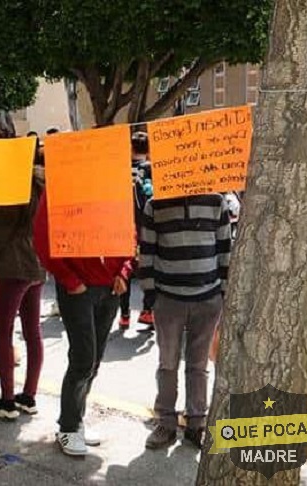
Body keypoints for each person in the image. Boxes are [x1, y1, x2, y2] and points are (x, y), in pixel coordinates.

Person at [34, 191, 133, 456]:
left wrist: (124, 270)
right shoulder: (61, 184)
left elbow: (127, 232)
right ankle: (68, 427)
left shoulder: (112, 184)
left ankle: (75, 422)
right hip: (77, 288)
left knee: (94, 360)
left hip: (109, 288)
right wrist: (70, 280)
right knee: (83, 359)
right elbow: (43, 240)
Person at [139, 194, 231, 449]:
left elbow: (225, 249)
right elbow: (147, 250)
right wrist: (150, 294)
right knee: (167, 363)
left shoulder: (216, 202)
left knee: (198, 365)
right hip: (168, 299)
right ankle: (166, 423)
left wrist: (222, 293)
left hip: (208, 298)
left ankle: (196, 424)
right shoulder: (154, 204)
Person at [0, 152, 46, 421]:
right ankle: (28, 395)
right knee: (33, 331)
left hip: (13, 264)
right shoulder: (44, 184)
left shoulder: (15, 187)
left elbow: (1, 232)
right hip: (37, 262)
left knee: (4, 332)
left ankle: (7, 401)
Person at [119, 131, 156, 331]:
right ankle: (147, 311)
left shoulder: (120, 169)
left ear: (130, 149)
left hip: (124, 224)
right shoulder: (151, 169)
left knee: (124, 267)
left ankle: (124, 315)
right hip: (147, 226)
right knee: (149, 268)